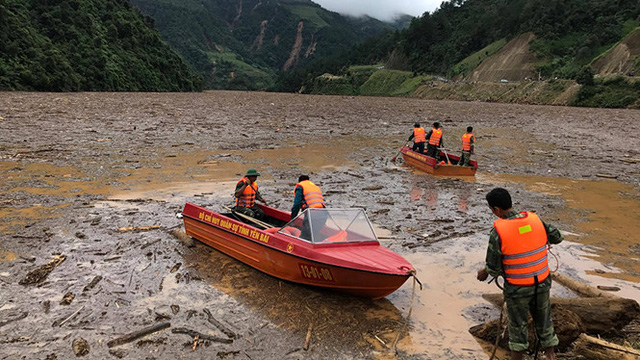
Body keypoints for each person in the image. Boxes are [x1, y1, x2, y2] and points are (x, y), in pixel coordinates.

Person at [477, 188, 562, 360]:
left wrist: (483, 273)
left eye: (492, 210)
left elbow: (493, 267)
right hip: (542, 282)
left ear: (496, 210)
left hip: (518, 288)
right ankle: (551, 355)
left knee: (518, 326)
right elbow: (557, 236)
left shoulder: (498, 231)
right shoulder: (535, 219)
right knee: (544, 319)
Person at [291, 175, 326, 241]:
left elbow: (296, 204)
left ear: (300, 181)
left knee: (304, 237)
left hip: (312, 214)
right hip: (323, 214)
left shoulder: (300, 187)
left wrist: (293, 219)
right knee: (312, 236)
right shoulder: (315, 187)